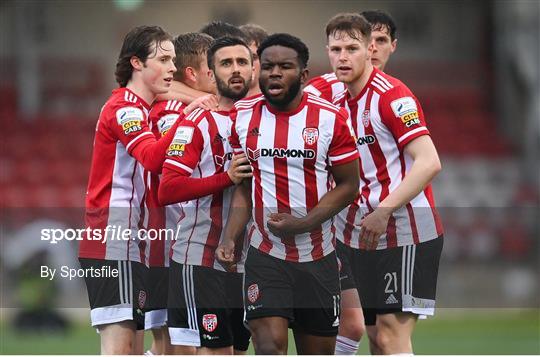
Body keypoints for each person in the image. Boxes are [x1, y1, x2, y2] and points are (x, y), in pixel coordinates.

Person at [216, 33, 360, 355]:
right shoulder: (242, 116)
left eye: (285, 66)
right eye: (267, 67)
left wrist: (303, 223)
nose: (275, 73)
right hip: (265, 254)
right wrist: (230, 237)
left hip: (319, 257)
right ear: (258, 72)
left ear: (304, 74)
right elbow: (243, 184)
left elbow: (349, 185)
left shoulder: (330, 119)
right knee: (269, 346)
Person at [327, 13, 444, 355]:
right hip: (359, 233)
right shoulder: (334, 100)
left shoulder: (392, 96)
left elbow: (429, 161)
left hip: (402, 228)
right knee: (377, 338)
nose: (344, 56)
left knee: (392, 336)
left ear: (369, 50)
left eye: (353, 47)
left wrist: (384, 210)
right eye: (336, 49)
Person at [78, 25, 179, 355]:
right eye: (163, 59)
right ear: (136, 62)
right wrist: (186, 122)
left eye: (174, 60)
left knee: (135, 348)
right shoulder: (126, 108)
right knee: (120, 347)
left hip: (134, 241)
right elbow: (151, 158)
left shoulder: (142, 109)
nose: (172, 68)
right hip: (112, 236)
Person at [304, 10, 399, 355]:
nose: (373, 50)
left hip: (370, 226)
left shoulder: (391, 97)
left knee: (378, 333)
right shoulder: (324, 88)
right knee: (358, 326)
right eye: (339, 48)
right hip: (331, 223)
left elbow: (420, 161)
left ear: (389, 46)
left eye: (381, 42)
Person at [158, 36, 254, 355]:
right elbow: (168, 188)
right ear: (211, 75)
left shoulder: (265, 122)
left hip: (250, 261)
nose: (236, 70)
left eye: (242, 62)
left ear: (253, 69)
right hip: (201, 256)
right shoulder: (195, 122)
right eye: (226, 64)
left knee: (240, 351)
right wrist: (224, 178)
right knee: (215, 352)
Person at [141, 31, 215, 356]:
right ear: (193, 73)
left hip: (181, 243)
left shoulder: (193, 107)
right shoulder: (173, 113)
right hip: (169, 243)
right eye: (213, 66)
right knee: (175, 343)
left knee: (178, 342)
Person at [304, 10, 397, 103]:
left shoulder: (394, 94)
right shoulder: (319, 90)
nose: (374, 48)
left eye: (381, 40)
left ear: (393, 46)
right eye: (368, 40)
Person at [239, 23, 269, 97]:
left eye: (253, 58)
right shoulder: (214, 103)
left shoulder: (279, 102)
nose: (248, 64)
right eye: (240, 60)